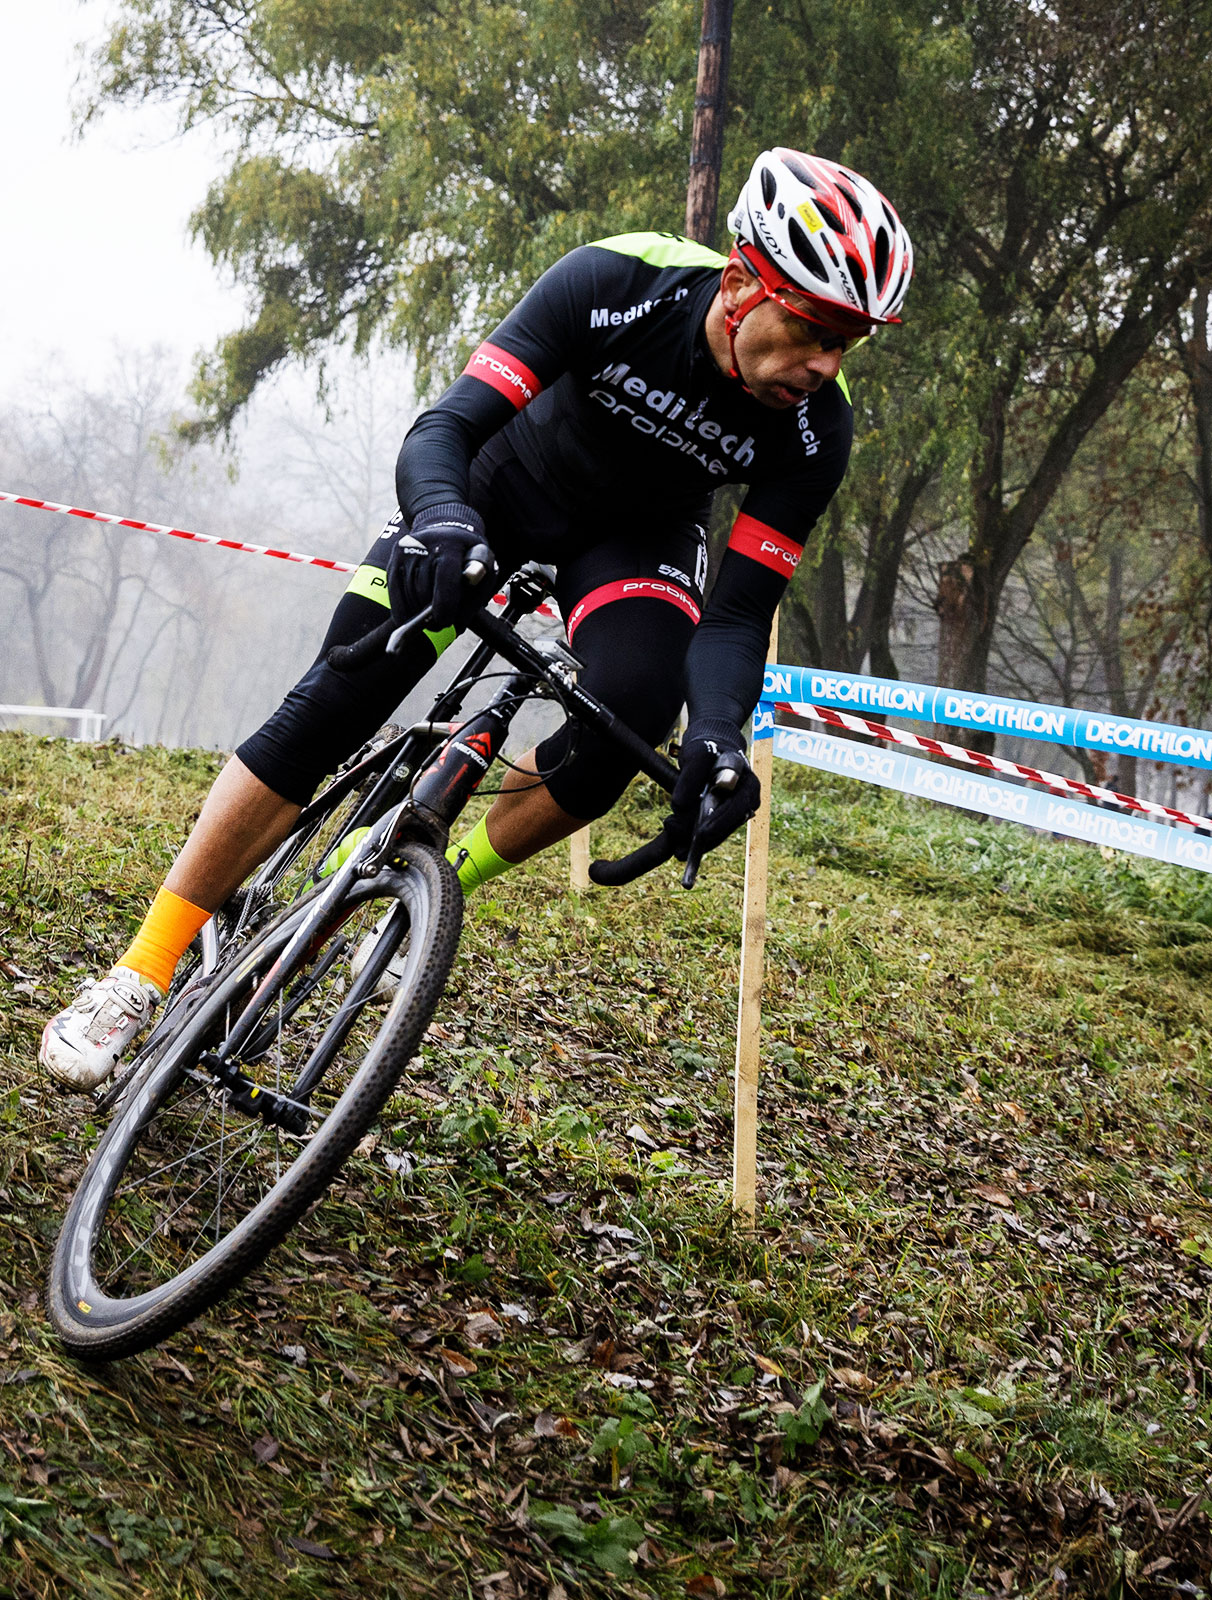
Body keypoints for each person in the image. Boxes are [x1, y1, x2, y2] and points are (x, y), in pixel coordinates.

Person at [40, 147, 913, 1091]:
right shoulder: (616, 281)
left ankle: (419, 890)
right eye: (813, 327)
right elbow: (446, 429)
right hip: (500, 483)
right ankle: (141, 971)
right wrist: (444, 523)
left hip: (634, 541)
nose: (824, 364)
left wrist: (719, 738)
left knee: (635, 715)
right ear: (744, 282)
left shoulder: (819, 431)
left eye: (849, 343)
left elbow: (739, 614)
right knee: (342, 692)